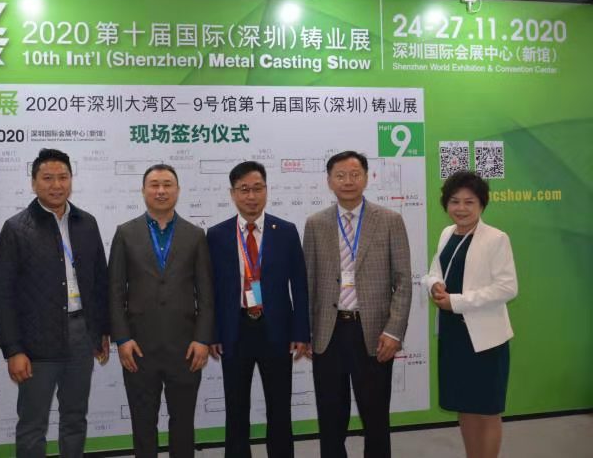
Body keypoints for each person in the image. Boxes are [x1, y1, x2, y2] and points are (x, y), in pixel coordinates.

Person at [0, 148, 110, 458]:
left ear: (71, 180)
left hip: (81, 335)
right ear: (34, 183)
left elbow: (100, 281)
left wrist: (100, 331)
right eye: (47, 178)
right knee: (33, 425)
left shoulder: (87, 223)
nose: (56, 185)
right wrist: (13, 350)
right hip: (36, 342)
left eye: (63, 177)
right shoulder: (16, 229)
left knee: (75, 418)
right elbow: (1, 295)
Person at [303, 150, 412, 458]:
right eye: (340, 175)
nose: (348, 181)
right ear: (329, 181)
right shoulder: (315, 224)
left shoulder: (389, 220)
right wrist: (306, 332)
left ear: (366, 177)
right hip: (329, 333)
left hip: (375, 333)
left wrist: (393, 331)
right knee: (330, 416)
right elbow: (308, 282)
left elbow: (403, 280)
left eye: (354, 174)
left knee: (375, 417)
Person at [108, 164, 214, 458]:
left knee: (183, 423)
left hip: (186, 347)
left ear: (178, 190)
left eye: (167, 184)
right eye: (154, 185)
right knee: (143, 424)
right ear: (143, 191)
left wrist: (202, 339)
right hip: (138, 348)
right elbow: (115, 292)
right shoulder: (125, 233)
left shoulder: (195, 235)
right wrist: (122, 338)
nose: (161, 191)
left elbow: (206, 294)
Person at [206, 161, 310, 458]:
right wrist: (213, 333)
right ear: (233, 194)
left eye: (257, 188)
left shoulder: (286, 231)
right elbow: (210, 289)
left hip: (276, 330)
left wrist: (301, 332)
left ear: (266, 190)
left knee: (279, 407)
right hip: (234, 330)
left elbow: (299, 285)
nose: (251, 196)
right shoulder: (217, 235)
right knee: (236, 408)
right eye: (244, 190)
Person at [424, 170, 517, 458]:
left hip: (486, 340)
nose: (461, 208)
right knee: (465, 407)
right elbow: (434, 271)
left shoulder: (496, 238)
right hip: (454, 335)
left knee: (487, 410)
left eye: (469, 202)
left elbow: (507, 288)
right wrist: (434, 284)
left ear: (482, 204)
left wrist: (457, 301)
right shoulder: (447, 234)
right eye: (454, 201)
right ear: (446, 204)